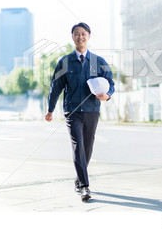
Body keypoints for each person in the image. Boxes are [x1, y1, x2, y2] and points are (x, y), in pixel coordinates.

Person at [45, 22, 115, 202]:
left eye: (83, 34)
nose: (80, 37)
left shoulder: (99, 61)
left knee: (88, 147)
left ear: (89, 36)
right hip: (72, 110)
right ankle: (85, 186)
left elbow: (111, 83)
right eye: (77, 34)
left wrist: (107, 96)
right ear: (72, 37)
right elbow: (56, 87)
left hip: (92, 110)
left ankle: (78, 179)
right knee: (78, 146)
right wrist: (50, 109)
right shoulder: (65, 62)